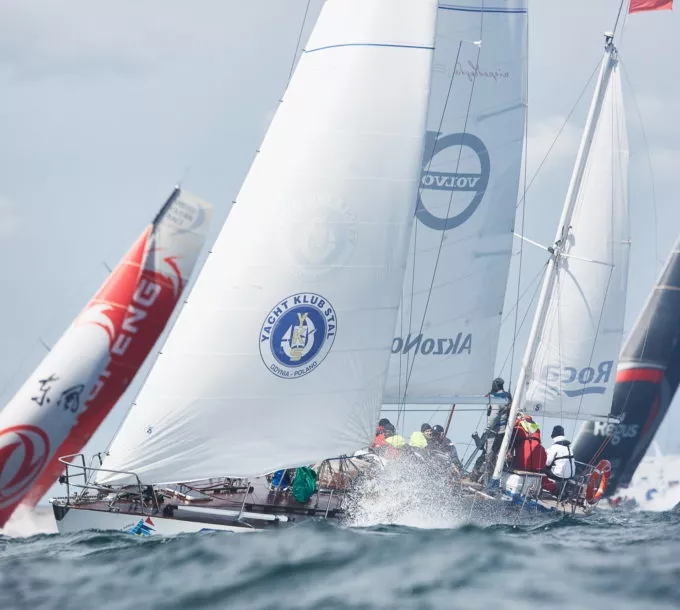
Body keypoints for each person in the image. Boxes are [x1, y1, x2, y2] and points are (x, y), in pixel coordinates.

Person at [471, 377, 512, 483]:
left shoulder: (496, 398)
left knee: (488, 457)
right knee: (497, 456)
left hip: (494, 432)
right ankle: (492, 479)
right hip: (504, 432)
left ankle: (486, 481)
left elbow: (494, 415)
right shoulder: (507, 396)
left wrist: (488, 429)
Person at [543, 425, 575, 496]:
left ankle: (553, 489)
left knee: (541, 469)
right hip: (571, 475)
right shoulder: (569, 446)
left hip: (559, 475)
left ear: (554, 435)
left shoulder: (555, 447)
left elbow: (547, 463)